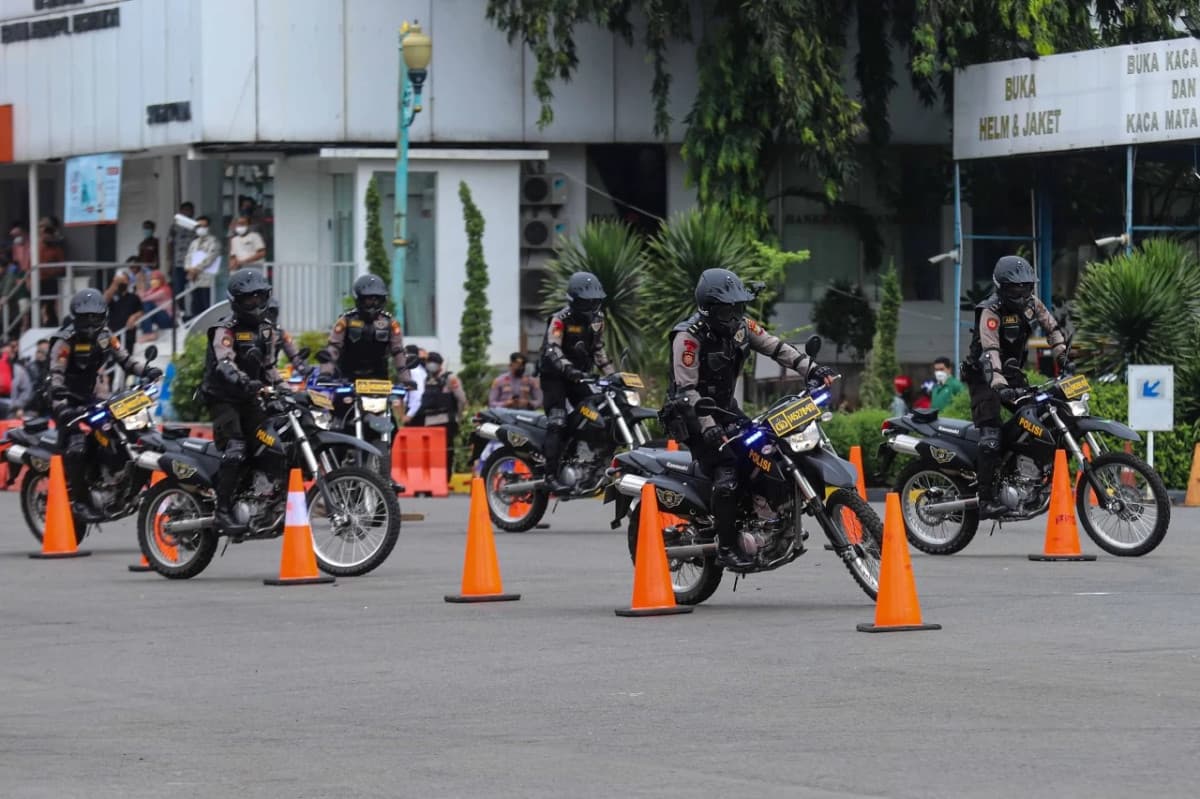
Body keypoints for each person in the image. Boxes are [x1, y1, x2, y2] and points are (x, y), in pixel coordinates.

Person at [663, 268, 836, 568]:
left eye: (737, 307)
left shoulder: (742, 327)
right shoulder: (688, 338)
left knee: (767, 450)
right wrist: (709, 428)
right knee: (727, 469)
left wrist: (812, 369)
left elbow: (776, 347)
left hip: (726, 408)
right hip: (694, 415)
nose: (733, 315)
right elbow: (686, 389)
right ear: (709, 308)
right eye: (726, 309)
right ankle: (727, 546)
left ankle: (765, 516)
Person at [964, 255, 1071, 519]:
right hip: (984, 376)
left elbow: (1052, 327)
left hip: (1011, 374)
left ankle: (1020, 471)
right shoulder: (990, 310)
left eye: (1027, 286)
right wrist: (998, 383)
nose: (1022, 292)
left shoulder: (1031, 304)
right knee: (990, 437)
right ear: (1001, 286)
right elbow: (989, 350)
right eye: (1016, 288)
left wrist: (1062, 354)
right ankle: (986, 499)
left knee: (1038, 415)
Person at [49, 289, 160, 522]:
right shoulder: (65, 341)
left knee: (121, 428)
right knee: (77, 446)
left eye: (95, 317)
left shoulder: (106, 336)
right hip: (63, 398)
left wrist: (147, 370)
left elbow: (126, 360)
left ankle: (118, 478)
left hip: (89, 397)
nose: (90, 323)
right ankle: (79, 502)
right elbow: (55, 374)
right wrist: (60, 404)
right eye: (85, 318)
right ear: (75, 317)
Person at [199, 269, 282, 535]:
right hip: (223, 397)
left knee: (270, 442)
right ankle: (222, 510)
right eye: (249, 299)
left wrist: (283, 388)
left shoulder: (267, 330)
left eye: (260, 297)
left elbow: (269, 366)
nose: (256, 304)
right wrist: (243, 380)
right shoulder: (225, 329)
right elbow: (225, 362)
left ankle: (264, 497)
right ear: (236, 300)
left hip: (249, 397)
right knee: (236, 446)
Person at [537, 271, 614, 493]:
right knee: (557, 420)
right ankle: (550, 475)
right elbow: (552, 349)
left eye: (594, 300)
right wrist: (568, 369)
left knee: (595, 414)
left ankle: (586, 463)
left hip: (580, 376)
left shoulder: (598, 320)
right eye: (586, 301)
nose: (591, 305)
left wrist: (612, 375)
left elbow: (599, 349)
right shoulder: (560, 319)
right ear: (575, 300)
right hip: (555, 377)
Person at [411, 352, 467, 478]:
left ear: (440, 364)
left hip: (446, 421)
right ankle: (432, 479)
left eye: (433, 362)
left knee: (446, 452)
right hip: (429, 422)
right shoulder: (427, 379)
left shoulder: (450, 378)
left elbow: (462, 399)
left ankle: (445, 478)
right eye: (429, 362)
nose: (431, 365)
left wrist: (458, 417)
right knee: (430, 454)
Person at [183, 215, 220, 317]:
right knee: (195, 305)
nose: (201, 229)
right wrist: (189, 269)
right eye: (199, 226)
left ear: (208, 227)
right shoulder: (194, 243)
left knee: (206, 306)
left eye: (204, 226)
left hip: (206, 279)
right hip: (194, 279)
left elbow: (210, 257)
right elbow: (188, 257)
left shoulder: (213, 241)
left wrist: (196, 269)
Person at [105, 264, 145, 351]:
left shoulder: (134, 297)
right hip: (113, 335)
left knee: (126, 359)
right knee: (112, 358)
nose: (122, 283)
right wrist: (115, 283)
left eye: (124, 280)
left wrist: (134, 317)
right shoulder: (112, 295)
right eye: (120, 281)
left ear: (129, 282)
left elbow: (141, 311)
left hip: (128, 335)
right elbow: (104, 301)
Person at [265, 298, 306, 373]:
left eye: (273, 311)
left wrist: (301, 367)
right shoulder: (245, 330)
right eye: (269, 311)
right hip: (245, 375)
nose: (271, 314)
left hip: (270, 373)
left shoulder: (280, 333)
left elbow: (293, 354)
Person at [168, 201, 196, 296]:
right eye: (186, 210)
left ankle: (195, 310)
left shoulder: (196, 226)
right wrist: (170, 262)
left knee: (194, 289)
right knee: (178, 289)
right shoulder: (175, 227)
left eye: (190, 210)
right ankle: (181, 310)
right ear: (181, 212)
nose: (188, 212)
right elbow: (170, 244)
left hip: (193, 264)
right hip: (178, 263)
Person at [138, 270, 174, 342]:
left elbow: (145, 299)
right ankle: (146, 331)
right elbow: (141, 296)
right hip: (159, 318)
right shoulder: (153, 289)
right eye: (152, 279)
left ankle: (148, 333)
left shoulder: (165, 290)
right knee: (145, 307)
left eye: (156, 279)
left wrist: (142, 288)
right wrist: (141, 282)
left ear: (161, 279)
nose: (153, 281)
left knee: (148, 304)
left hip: (167, 320)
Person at [404, 344, 427, 420]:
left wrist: (410, 414)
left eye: (405, 354)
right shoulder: (412, 370)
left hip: (416, 412)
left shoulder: (415, 371)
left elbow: (418, 395)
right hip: (413, 410)